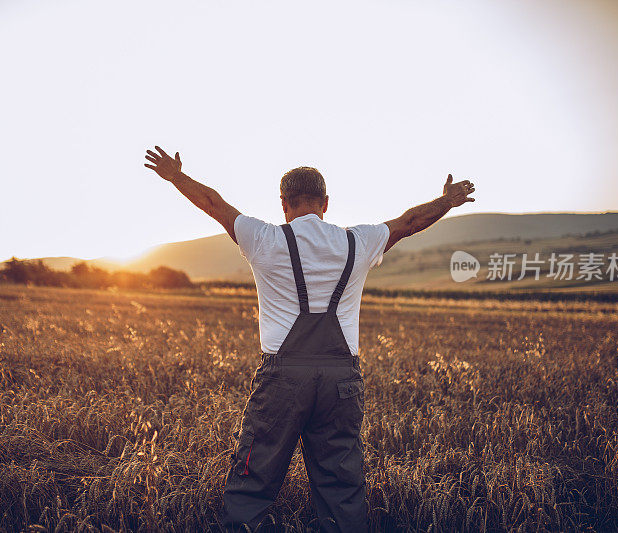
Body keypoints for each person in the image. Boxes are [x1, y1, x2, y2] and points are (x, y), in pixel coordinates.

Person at [144, 146, 475, 532]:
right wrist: (447, 201)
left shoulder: (263, 239)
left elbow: (213, 203)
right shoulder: (359, 242)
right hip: (341, 381)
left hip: (282, 381)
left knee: (252, 483)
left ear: (283, 204)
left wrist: (176, 177)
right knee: (341, 489)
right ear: (326, 204)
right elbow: (409, 222)